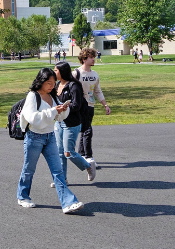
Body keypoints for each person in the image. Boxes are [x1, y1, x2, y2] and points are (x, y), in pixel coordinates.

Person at [17, 68, 84, 214]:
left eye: (54, 83)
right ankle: (22, 197)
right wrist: (54, 111)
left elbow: (60, 117)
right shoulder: (33, 96)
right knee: (29, 170)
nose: (52, 86)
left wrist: (63, 109)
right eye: (48, 83)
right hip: (34, 137)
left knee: (58, 171)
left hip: (50, 137)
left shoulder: (52, 96)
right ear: (40, 81)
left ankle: (68, 203)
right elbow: (33, 118)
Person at [51, 61, 96, 187]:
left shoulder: (74, 86)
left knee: (68, 152)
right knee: (59, 153)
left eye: (56, 70)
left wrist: (65, 107)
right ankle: (62, 179)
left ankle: (88, 166)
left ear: (62, 71)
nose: (54, 72)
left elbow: (77, 105)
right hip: (59, 122)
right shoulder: (57, 85)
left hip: (71, 123)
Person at [75, 48, 111, 163]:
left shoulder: (95, 75)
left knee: (85, 130)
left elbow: (97, 91)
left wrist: (105, 105)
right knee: (87, 131)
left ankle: (81, 154)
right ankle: (89, 157)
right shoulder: (76, 73)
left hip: (90, 106)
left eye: (94, 57)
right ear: (84, 59)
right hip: (79, 106)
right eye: (91, 57)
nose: (93, 59)